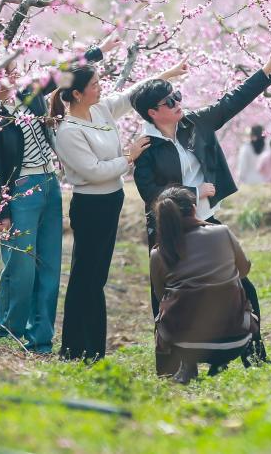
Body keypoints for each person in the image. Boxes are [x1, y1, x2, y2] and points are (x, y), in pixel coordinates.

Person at [132, 40, 271, 362]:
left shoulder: (194, 124)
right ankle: (169, 357)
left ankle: (255, 353)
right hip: (167, 226)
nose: (177, 102)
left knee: (243, 286)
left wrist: (266, 70)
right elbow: (149, 192)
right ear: (152, 113)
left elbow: (231, 102)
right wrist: (193, 191)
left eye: (177, 96)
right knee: (166, 292)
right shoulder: (146, 146)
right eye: (169, 101)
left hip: (203, 220)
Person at [0, 36, 117, 351]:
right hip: (20, 191)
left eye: (13, 70)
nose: (12, 76)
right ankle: (9, 328)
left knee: (50, 266)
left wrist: (99, 51)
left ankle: (40, 338)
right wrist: (0, 209)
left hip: (49, 185)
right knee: (21, 266)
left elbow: (63, 71)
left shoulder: (30, 92)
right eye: (4, 72)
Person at [49, 56, 187, 361]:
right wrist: (130, 157)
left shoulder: (100, 109)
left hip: (111, 201)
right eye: (95, 84)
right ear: (77, 94)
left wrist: (168, 74)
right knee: (86, 276)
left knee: (96, 276)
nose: (100, 87)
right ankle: (77, 348)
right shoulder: (68, 131)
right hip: (90, 205)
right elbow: (94, 171)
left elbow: (131, 95)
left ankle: (89, 348)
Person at [149, 186, 258, 383]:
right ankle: (229, 361)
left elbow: (160, 295)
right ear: (193, 208)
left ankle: (179, 369)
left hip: (185, 346)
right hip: (235, 340)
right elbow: (244, 270)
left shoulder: (158, 253)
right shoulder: (222, 233)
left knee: (168, 307)